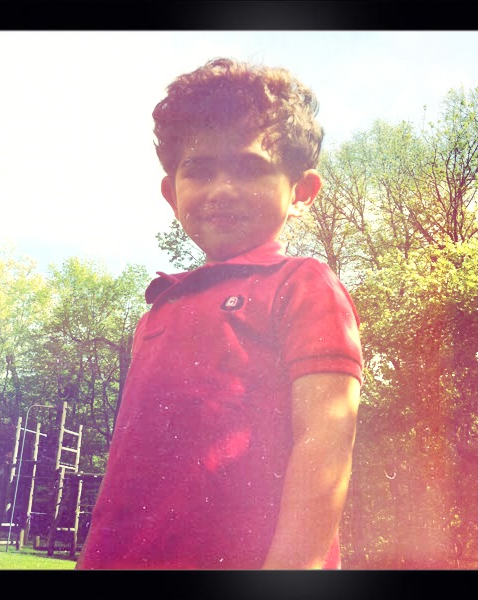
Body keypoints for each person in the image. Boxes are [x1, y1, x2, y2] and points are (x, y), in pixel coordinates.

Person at [75, 57, 363, 570]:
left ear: (301, 192)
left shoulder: (303, 286)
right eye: (200, 169)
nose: (222, 188)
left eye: (250, 167)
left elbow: (325, 447)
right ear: (172, 193)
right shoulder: (159, 307)